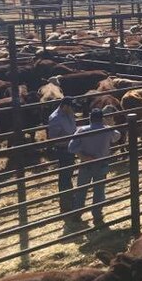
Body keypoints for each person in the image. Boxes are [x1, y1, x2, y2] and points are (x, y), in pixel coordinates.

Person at [68, 108, 121, 230]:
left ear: (90, 118)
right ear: (102, 118)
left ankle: (77, 214)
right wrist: (110, 124)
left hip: (86, 164)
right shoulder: (108, 130)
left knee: (81, 189)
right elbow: (117, 137)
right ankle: (97, 215)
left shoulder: (82, 130)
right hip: (102, 164)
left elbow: (71, 148)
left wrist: (84, 157)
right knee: (99, 190)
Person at [47, 97, 78, 231]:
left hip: (70, 148)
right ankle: (65, 204)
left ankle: (69, 200)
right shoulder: (55, 118)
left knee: (68, 174)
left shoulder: (68, 114)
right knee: (65, 176)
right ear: (65, 106)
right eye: (71, 107)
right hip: (63, 149)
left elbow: (73, 128)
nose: (73, 110)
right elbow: (54, 138)